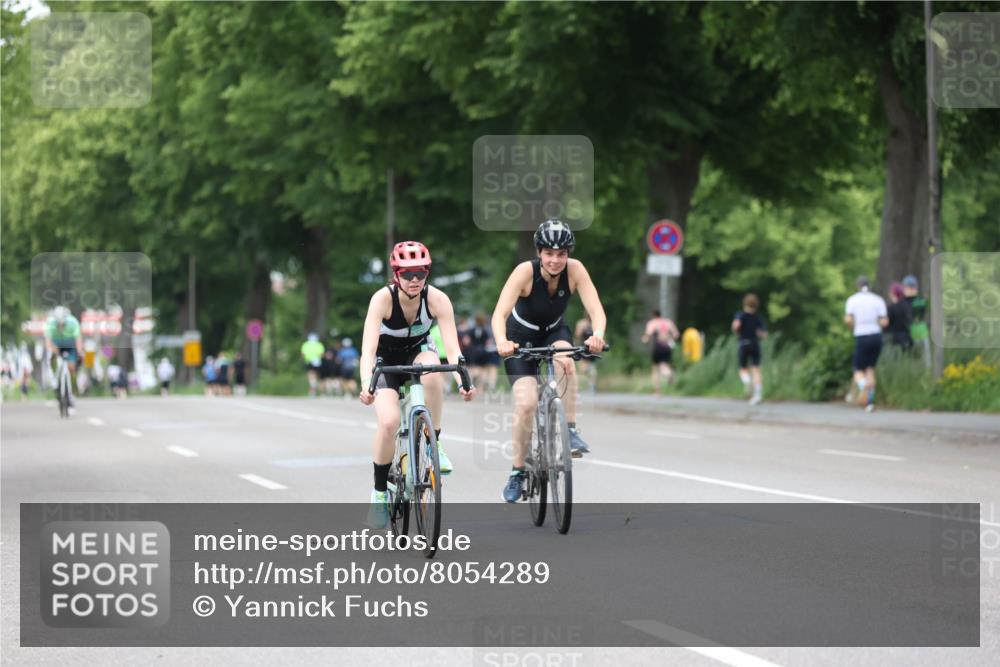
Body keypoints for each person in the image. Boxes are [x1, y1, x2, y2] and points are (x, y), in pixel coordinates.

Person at [359, 241, 476, 528]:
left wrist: (464, 380)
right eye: (407, 274)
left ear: (427, 274)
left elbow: (453, 347)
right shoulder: (382, 300)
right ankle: (379, 493)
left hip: (418, 350)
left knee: (433, 372)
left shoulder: (437, 299)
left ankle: (434, 441)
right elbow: (368, 351)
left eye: (420, 274)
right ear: (395, 274)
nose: (414, 281)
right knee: (389, 422)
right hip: (385, 361)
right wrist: (366, 384)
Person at [492, 219, 607, 503]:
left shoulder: (575, 270)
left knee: (566, 360)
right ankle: (518, 470)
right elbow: (499, 314)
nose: (555, 260)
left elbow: (596, 310)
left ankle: (570, 429)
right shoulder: (525, 272)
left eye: (561, 254)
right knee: (527, 403)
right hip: (520, 339)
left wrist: (598, 335)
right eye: (549, 253)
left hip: (554, 331)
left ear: (568, 253)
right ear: (539, 253)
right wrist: (502, 342)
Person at [844, 276, 888, 412]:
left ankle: (864, 387)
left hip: (862, 336)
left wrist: (853, 327)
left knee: (857, 370)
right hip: (876, 336)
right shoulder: (878, 300)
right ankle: (870, 403)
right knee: (870, 369)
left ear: (858, 286)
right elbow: (884, 322)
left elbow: (848, 319)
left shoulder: (852, 300)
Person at [732, 293, 768, 405]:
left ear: (745, 304)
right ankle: (757, 395)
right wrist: (758, 333)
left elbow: (736, 326)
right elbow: (763, 334)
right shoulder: (758, 318)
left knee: (742, 369)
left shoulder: (740, 315)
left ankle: (747, 382)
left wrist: (738, 329)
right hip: (755, 344)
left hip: (743, 343)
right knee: (756, 370)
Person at [44, 306, 84, 406]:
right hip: (56, 346)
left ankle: (71, 392)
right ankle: (54, 378)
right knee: (51, 356)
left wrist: (80, 351)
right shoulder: (50, 324)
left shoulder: (73, 322)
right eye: (58, 324)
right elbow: (48, 343)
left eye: (63, 324)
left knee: (71, 367)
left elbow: (78, 339)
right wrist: (54, 350)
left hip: (70, 346)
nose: (61, 326)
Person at [641, 309, 679, 395]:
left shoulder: (652, 323)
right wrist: (670, 338)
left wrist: (645, 339)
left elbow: (648, 334)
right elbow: (676, 334)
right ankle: (669, 373)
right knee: (665, 364)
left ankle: (657, 391)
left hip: (658, 346)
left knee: (655, 369)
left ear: (653, 315)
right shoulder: (668, 322)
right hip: (667, 346)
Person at [902, 275, 930, 365]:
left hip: (911, 331)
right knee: (924, 357)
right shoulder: (920, 299)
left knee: (912, 357)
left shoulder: (903, 302)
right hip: (921, 330)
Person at [886, 282, 913, 351]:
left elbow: (886, 324)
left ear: (894, 293)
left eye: (891, 291)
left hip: (894, 337)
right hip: (907, 336)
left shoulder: (892, 307)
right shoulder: (907, 305)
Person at [574, 315, 598, 393]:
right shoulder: (581, 323)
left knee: (593, 371)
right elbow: (577, 335)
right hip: (583, 348)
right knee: (583, 370)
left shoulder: (595, 323)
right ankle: (579, 387)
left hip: (592, 350)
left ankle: (592, 387)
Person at [300, 333, 324, 397]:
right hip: (317, 362)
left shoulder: (306, 344)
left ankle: (312, 388)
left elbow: (303, 354)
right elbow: (322, 354)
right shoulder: (319, 344)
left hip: (309, 361)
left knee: (310, 375)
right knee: (316, 375)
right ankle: (315, 388)